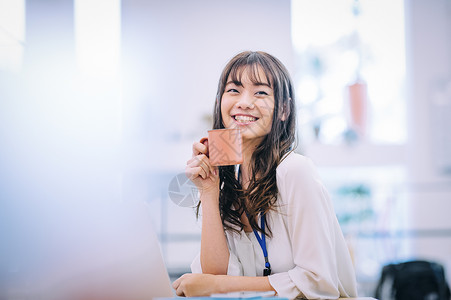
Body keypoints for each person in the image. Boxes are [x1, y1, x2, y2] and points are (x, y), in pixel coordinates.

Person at [172, 51, 357, 299]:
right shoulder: (232, 181)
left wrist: (216, 286)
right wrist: (208, 191)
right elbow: (215, 274)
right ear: (220, 103)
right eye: (234, 90)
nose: (244, 102)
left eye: (260, 92)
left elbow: (318, 281)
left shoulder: (295, 170)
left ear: (283, 110)